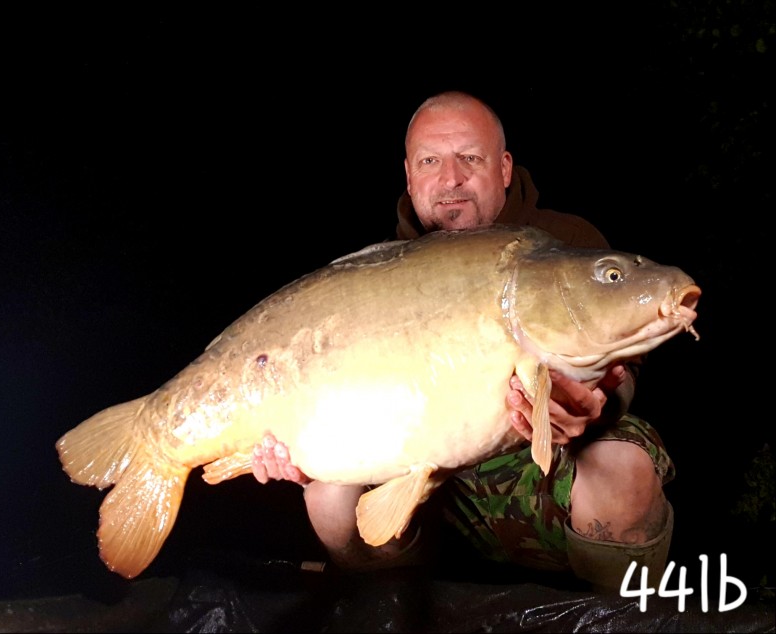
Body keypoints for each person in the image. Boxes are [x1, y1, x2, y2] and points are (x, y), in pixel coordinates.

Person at [251, 91, 675, 593]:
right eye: (430, 161)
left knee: (624, 467)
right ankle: (401, 614)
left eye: (470, 158)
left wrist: (598, 406)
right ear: (410, 176)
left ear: (504, 168)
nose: (450, 178)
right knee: (327, 499)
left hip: (541, 470)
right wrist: (309, 452)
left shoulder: (562, 243)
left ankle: (612, 615)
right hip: (431, 486)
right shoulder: (380, 271)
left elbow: (624, 371)